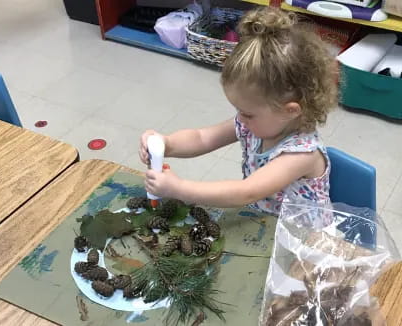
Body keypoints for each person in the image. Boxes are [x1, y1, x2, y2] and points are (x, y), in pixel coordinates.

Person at [140, 7, 338, 215]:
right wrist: (166, 144)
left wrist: (180, 189)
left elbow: (246, 192)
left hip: (301, 241)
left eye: (248, 113)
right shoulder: (253, 125)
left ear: (290, 111)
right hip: (262, 225)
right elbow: (203, 138)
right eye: (239, 110)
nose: (240, 119)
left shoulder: (301, 153)